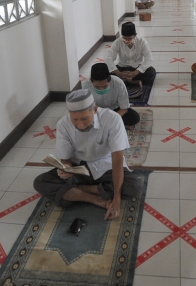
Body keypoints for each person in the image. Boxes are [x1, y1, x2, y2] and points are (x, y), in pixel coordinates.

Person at [33, 90, 142, 220]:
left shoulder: (112, 119)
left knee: (133, 187)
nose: (80, 124)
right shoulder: (63, 124)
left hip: (107, 165)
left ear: (95, 110)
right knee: (41, 182)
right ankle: (95, 199)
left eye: (85, 118)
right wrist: (66, 169)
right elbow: (66, 160)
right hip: (80, 168)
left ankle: (81, 189)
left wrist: (117, 198)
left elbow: (117, 160)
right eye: (75, 119)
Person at [105, 22, 156, 98]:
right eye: (125, 38)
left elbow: (149, 59)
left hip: (137, 69)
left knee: (151, 72)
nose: (127, 41)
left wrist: (136, 72)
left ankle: (124, 81)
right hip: (122, 68)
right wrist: (118, 72)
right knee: (105, 73)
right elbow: (108, 59)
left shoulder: (142, 42)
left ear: (135, 36)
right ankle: (133, 81)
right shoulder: (117, 42)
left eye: (130, 38)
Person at [82, 63, 140, 127]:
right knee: (83, 119)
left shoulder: (118, 83)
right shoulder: (86, 86)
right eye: (97, 87)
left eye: (105, 86)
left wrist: (111, 119)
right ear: (91, 81)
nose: (101, 89)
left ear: (110, 80)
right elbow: (87, 108)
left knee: (134, 118)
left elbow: (124, 108)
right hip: (97, 110)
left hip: (116, 109)